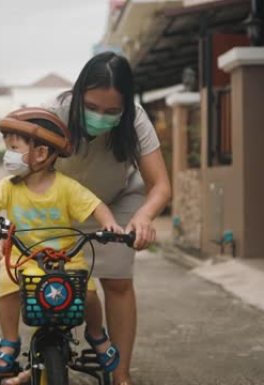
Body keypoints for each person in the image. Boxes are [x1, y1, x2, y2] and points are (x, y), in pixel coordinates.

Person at [0, 107, 125, 385]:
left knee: (89, 291)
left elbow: (96, 205)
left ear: (40, 154)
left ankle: (96, 333)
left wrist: (110, 225)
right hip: (23, 259)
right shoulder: (8, 187)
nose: (7, 155)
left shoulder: (66, 187)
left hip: (65, 259)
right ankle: (10, 340)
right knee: (6, 285)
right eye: (7, 147)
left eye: (14, 147)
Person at [42, 51, 171, 385]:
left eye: (112, 111)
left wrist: (144, 217)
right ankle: (49, 356)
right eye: (92, 107)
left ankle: (121, 374)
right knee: (65, 281)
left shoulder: (136, 119)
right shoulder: (54, 113)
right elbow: (24, 174)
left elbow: (160, 185)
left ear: (126, 106)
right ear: (79, 93)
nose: (100, 117)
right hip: (62, 205)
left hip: (116, 202)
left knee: (116, 281)